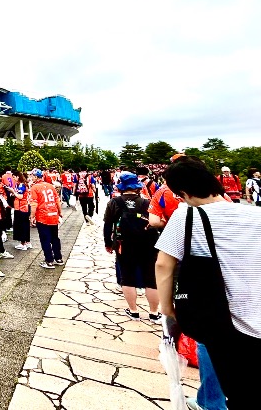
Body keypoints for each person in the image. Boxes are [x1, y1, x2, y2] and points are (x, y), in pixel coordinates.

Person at [155, 159, 261, 409]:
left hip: (227, 320)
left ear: (182, 193)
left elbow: (163, 264)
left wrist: (168, 308)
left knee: (241, 391)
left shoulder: (186, 215)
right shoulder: (255, 214)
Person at [103, 173, 161, 321]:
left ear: (121, 186)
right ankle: (154, 313)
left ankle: (133, 311)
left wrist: (108, 244)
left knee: (127, 277)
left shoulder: (114, 203)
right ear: (137, 187)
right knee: (151, 278)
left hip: (124, 245)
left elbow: (107, 225)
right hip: (148, 244)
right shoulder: (147, 202)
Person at [28, 169, 63, 269]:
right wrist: (60, 212)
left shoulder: (34, 188)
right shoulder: (50, 186)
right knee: (55, 238)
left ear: (35, 177)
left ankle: (49, 260)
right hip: (53, 215)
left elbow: (34, 204)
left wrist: (32, 217)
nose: (31, 177)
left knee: (45, 239)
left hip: (43, 216)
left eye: (32, 176)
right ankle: (58, 258)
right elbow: (57, 200)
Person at [10, 171, 32, 250]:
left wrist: (13, 192)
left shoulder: (21, 185)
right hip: (24, 207)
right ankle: (27, 242)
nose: (13, 178)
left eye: (14, 177)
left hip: (21, 208)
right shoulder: (22, 184)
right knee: (26, 225)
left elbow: (20, 196)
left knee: (21, 226)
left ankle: (23, 244)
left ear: (17, 177)